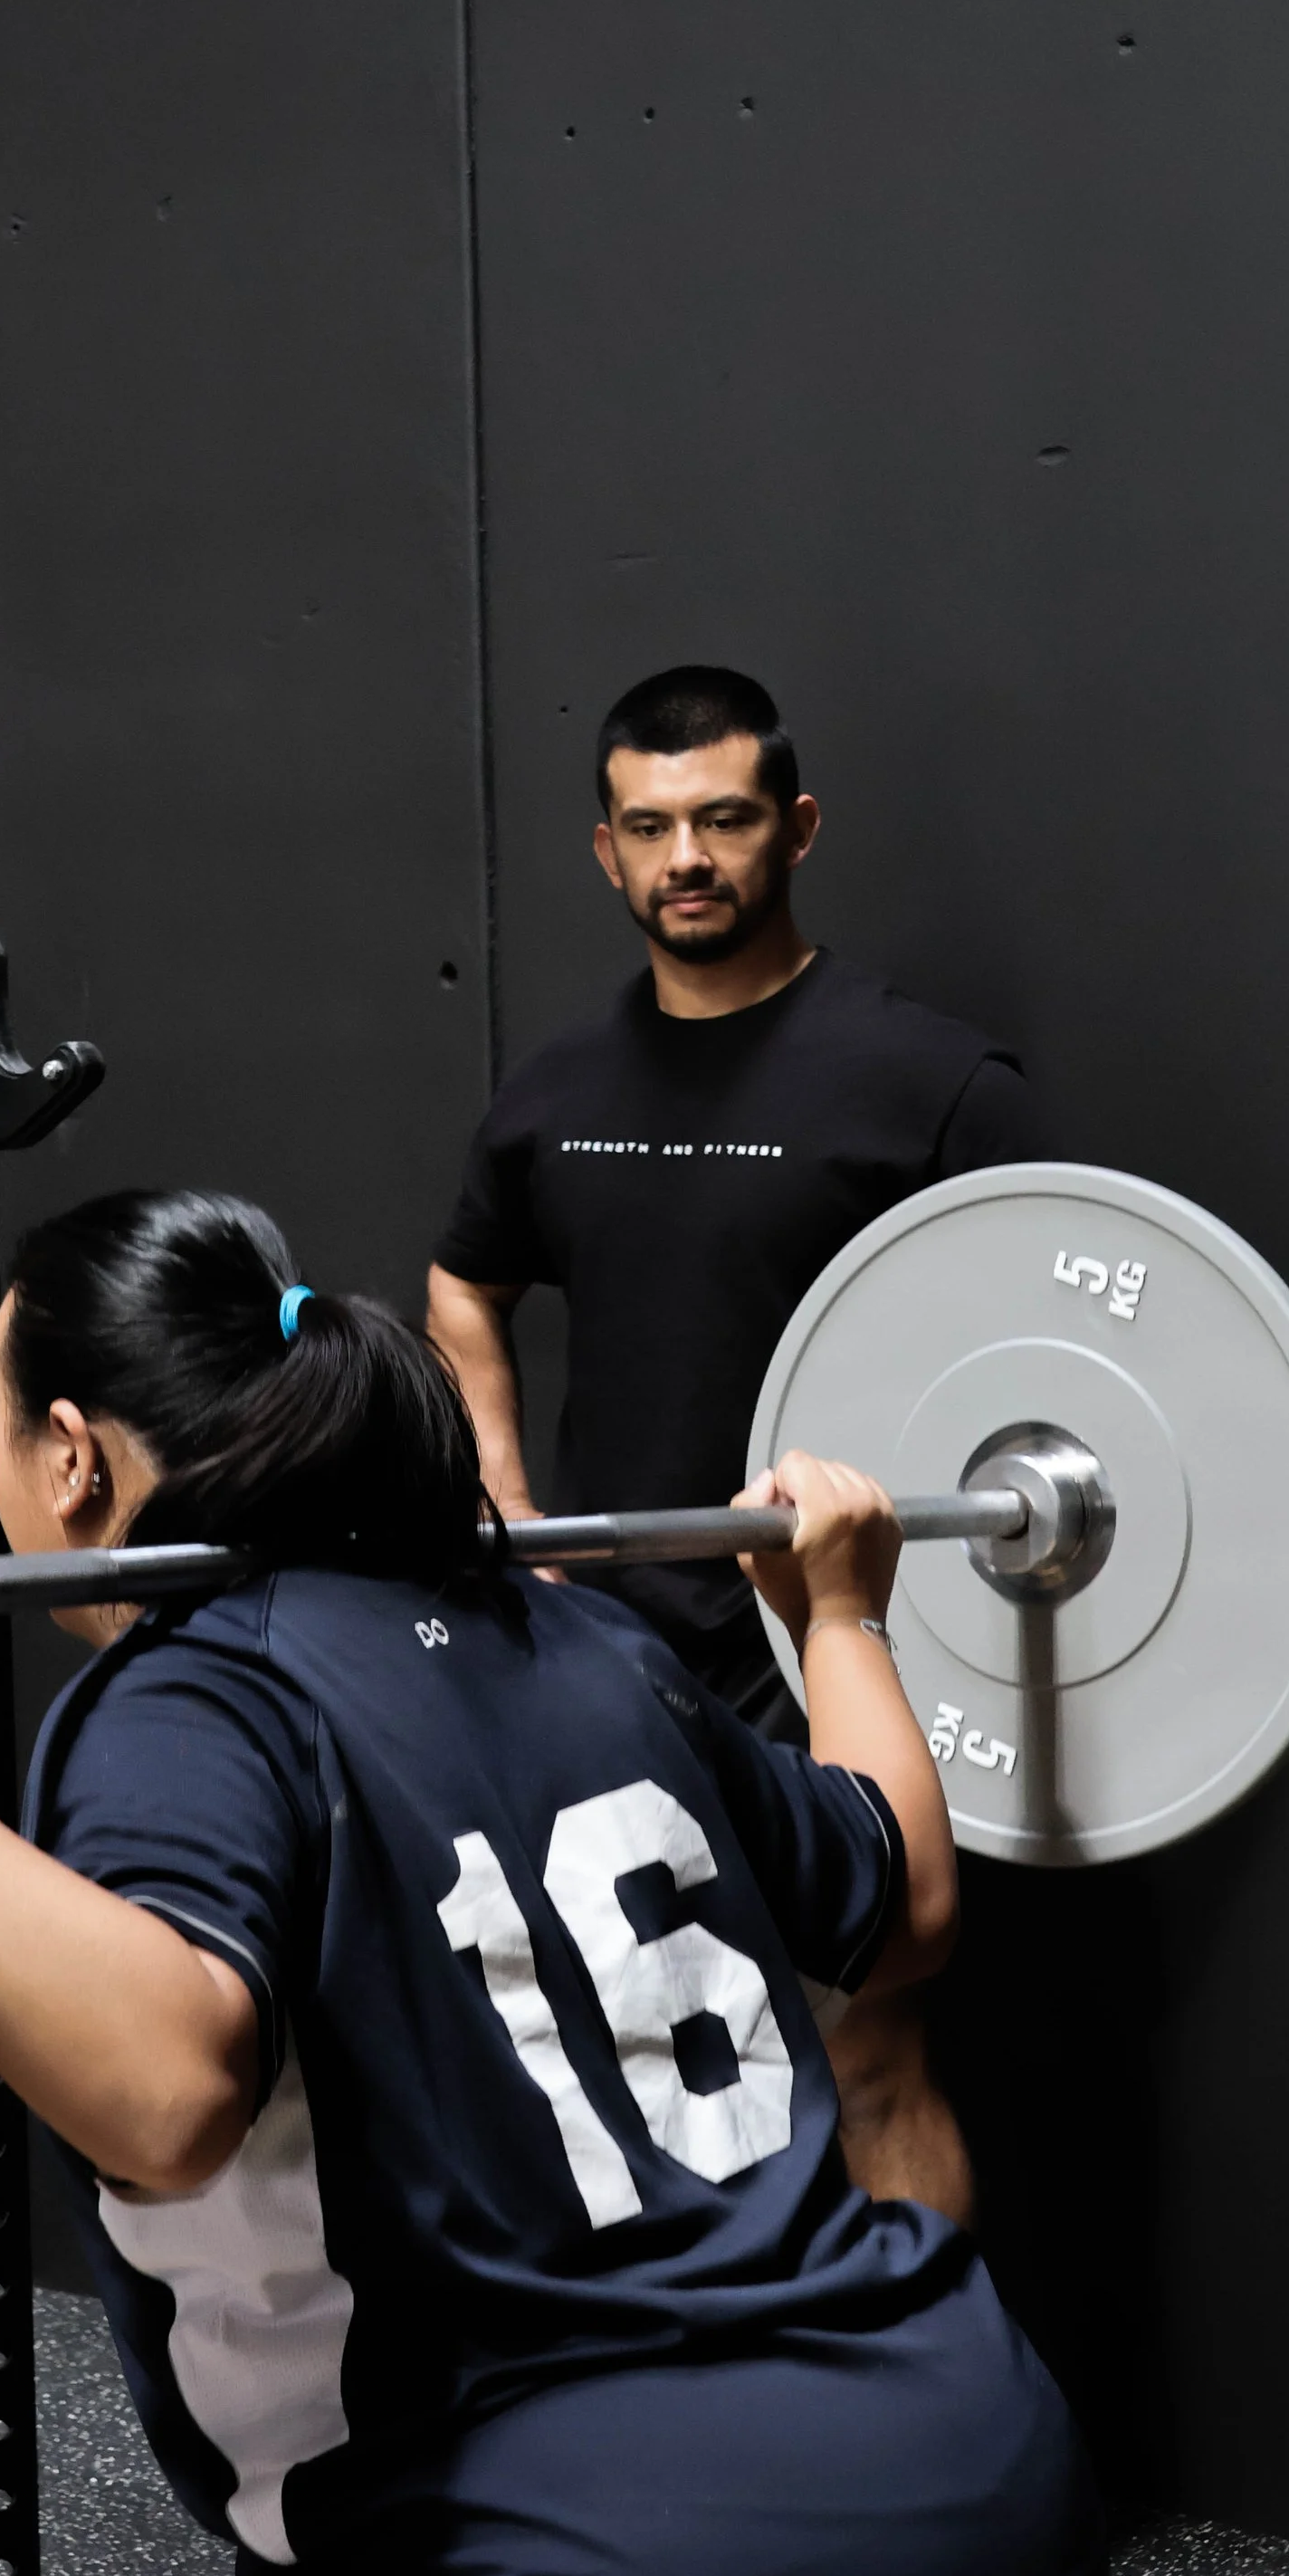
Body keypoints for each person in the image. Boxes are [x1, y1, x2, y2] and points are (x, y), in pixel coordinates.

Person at [0, 1191, 1103, 2576]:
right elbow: (901, 1900)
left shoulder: (191, 1691)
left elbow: (167, 2090)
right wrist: (841, 1609)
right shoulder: (587, 1637)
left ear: (74, 1459)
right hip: (1011, 2565)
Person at [426, 666, 1044, 2220]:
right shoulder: (557, 1091)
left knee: (873, 2042)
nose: (686, 856)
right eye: (650, 826)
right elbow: (462, 1281)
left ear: (797, 827)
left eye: (723, 818)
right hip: (608, 1652)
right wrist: (512, 1511)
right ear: (606, 852)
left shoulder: (929, 1082)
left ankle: (929, 2421)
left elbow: (1069, 1318)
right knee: (646, 2048)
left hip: (826, 1637)